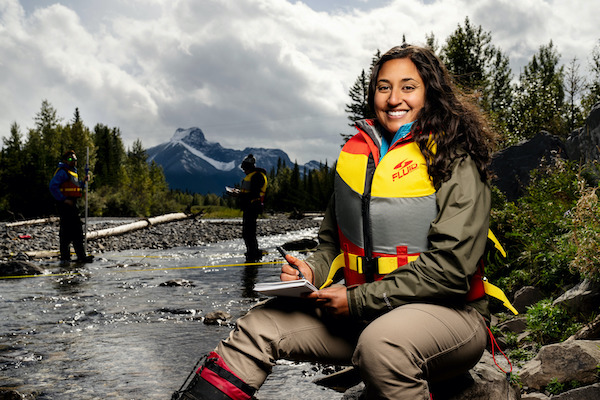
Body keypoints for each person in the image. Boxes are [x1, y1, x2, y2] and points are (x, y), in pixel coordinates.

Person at [174, 44, 501, 400]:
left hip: (451, 319)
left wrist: (357, 300)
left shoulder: (457, 159)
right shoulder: (357, 160)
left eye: (408, 87)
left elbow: (451, 270)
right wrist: (310, 272)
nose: (394, 99)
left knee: (382, 346)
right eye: (383, 87)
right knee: (259, 325)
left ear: (431, 93)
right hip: (365, 313)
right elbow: (331, 244)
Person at [49, 150, 93, 264]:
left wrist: (83, 182)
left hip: (72, 203)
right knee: (71, 230)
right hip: (65, 205)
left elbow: (77, 189)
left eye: (74, 159)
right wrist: (64, 199)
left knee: (72, 230)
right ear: (65, 160)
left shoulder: (73, 172)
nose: (73, 161)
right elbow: (53, 186)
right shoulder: (63, 172)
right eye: (70, 159)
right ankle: (73, 257)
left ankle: (72, 257)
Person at [237, 154, 268, 263]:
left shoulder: (257, 176)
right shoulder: (253, 175)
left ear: (248, 167)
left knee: (249, 232)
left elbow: (254, 194)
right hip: (249, 207)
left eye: (244, 169)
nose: (244, 171)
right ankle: (251, 252)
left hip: (253, 206)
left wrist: (239, 195)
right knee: (248, 232)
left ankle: (253, 253)